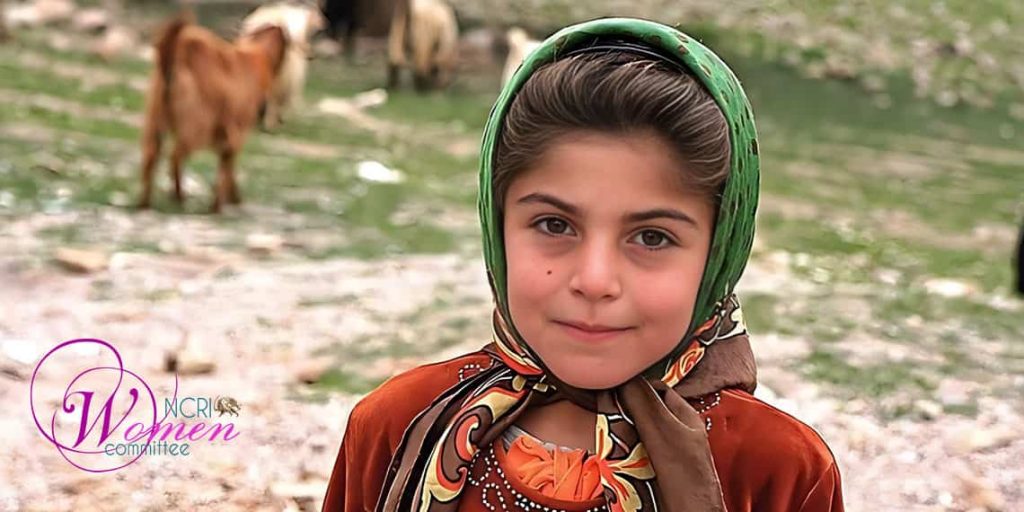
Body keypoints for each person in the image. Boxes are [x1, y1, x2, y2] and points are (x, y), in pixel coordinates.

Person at [323, 17, 843, 512]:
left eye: (652, 237)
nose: (594, 281)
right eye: (554, 226)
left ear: (718, 254)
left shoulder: (778, 469)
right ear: (497, 227)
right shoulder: (393, 426)